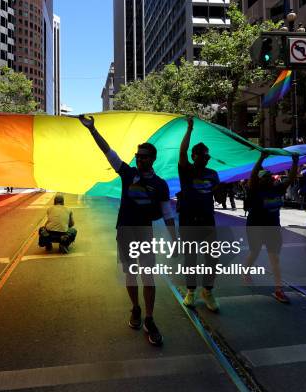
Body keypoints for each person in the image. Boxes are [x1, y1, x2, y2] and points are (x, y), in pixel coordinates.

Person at [79, 114, 176, 347]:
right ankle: (135, 308)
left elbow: (167, 214)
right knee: (131, 274)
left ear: (153, 159)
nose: (139, 160)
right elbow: (108, 152)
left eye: (144, 157)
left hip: (144, 233)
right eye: (137, 156)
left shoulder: (161, 184)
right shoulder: (127, 173)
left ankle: (150, 319)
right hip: (125, 231)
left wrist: (175, 240)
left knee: (148, 276)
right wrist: (92, 130)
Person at [178, 116, 221, 312]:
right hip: (188, 222)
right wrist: (189, 129)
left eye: (207, 156)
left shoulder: (213, 174)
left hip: (207, 222)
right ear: (195, 156)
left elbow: (217, 194)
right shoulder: (186, 170)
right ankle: (191, 292)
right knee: (191, 258)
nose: (206, 158)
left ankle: (208, 291)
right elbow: (182, 151)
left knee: (212, 258)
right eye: (203, 155)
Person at [244, 152, 299, 303]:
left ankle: (278, 290)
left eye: (270, 176)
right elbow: (253, 175)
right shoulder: (255, 190)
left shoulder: (277, 189)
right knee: (254, 252)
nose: (269, 178)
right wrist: (261, 158)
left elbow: (291, 178)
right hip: (255, 228)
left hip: (273, 229)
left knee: (274, 259)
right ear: (259, 180)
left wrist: (295, 161)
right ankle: (246, 271)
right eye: (265, 177)